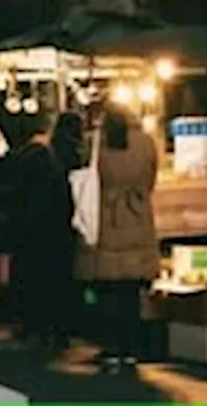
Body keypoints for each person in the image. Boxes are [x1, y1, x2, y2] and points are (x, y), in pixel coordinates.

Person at [75, 106, 159, 373]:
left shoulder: (96, 143)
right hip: (137, 216)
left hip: (107, 218)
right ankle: (131, 348)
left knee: (108, 290)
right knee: (132, 292)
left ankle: (111, 348)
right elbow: (151, 179)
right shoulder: (146, 142)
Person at [6, 112, 75, 351]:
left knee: (33, 278)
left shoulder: (22, 158)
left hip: (30, 228)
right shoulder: (65, 157)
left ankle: (32, 325)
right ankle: (59, 330)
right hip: (57, 228)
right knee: (58, 281)